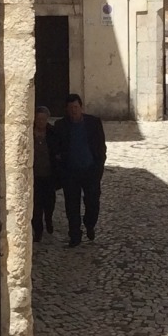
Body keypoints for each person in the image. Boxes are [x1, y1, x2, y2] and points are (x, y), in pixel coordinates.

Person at [48, 93, 106, 247]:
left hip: (90, 170)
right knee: (72, 206)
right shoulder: (61, 125)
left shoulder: (93, 123)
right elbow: (55, 146)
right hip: (71, 173)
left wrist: (99, 166)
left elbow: (101, 146)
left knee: (92, 202)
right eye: (70, 108)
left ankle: (89, 224)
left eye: (75, 107)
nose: (73, 111)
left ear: (81, 107)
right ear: (67, 110)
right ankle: (75, 235)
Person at [32, 105, 58, 242]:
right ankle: (38, 230)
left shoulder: (52, 133)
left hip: (49, 175)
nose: (41, 121)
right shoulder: (29, 133)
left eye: (43, 119)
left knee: (49, 203)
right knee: (36, 205)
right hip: (34, 176)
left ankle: (48, 219)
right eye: (38, 119)